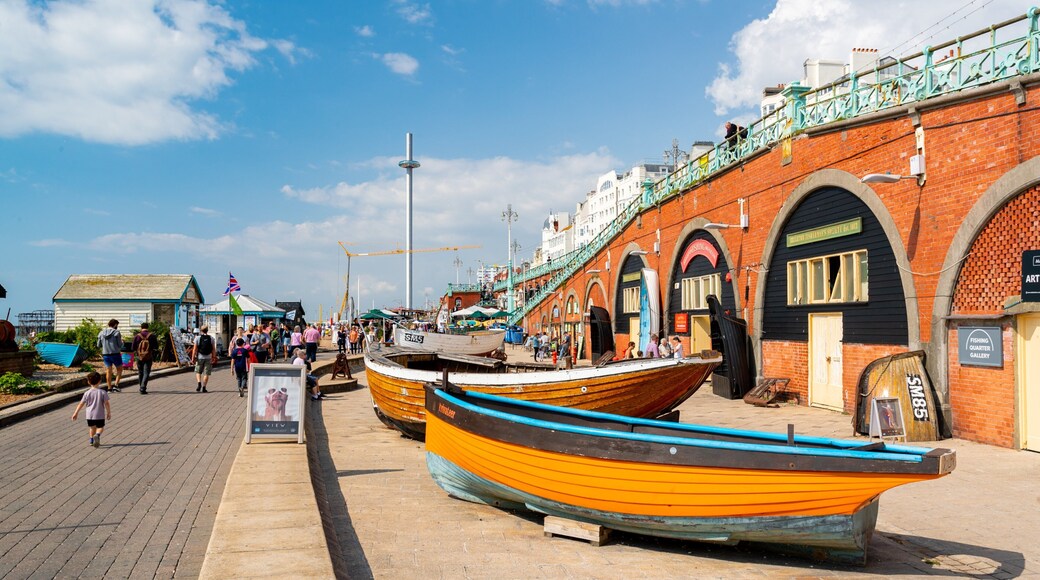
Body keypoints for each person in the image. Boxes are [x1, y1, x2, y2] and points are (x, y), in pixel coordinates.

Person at [72, 371, 111, 448]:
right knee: (100, 427)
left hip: (89, 415)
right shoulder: (103, 392)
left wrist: (76, 413)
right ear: (100, 381)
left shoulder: (87, 393)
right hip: (99, 415)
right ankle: (97, 435)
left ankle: (91, 440)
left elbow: (81, 403)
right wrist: (108, 412)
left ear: (89, 382)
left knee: (92, 427)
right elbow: (106, 403)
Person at [96, 319, 124, 392]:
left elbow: (98, 345)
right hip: (115, 354)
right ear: (115, 324)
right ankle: (116, 385)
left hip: (105, 354)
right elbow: (120, 345)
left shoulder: (101, 333)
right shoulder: (116, 332)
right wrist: (122, 342)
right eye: (117, 325)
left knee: (108, 371)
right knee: (119, 369)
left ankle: (109, 388)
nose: (117, 326)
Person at [131, 322, 159, 395]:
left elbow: (133, 347)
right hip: (148, 356)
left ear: (141, 327)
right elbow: (156, 347)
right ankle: (143, 387)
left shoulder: (137, 336)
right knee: (146, 372)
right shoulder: (152, 336)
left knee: (140, 372)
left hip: (139, 356)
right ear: (148, 327)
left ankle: (141, 386)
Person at [191, 325, 218, 393]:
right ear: (207, 330)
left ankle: (199, 383)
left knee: (198, 371)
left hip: (200, 357)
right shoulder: (211, 338)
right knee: (206, 373)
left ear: (201, 330)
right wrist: (214, 357)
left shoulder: (198, 338)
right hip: (208, 357)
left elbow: (194, 349)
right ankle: (204, 387)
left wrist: (193, 358)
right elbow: (213, 349)